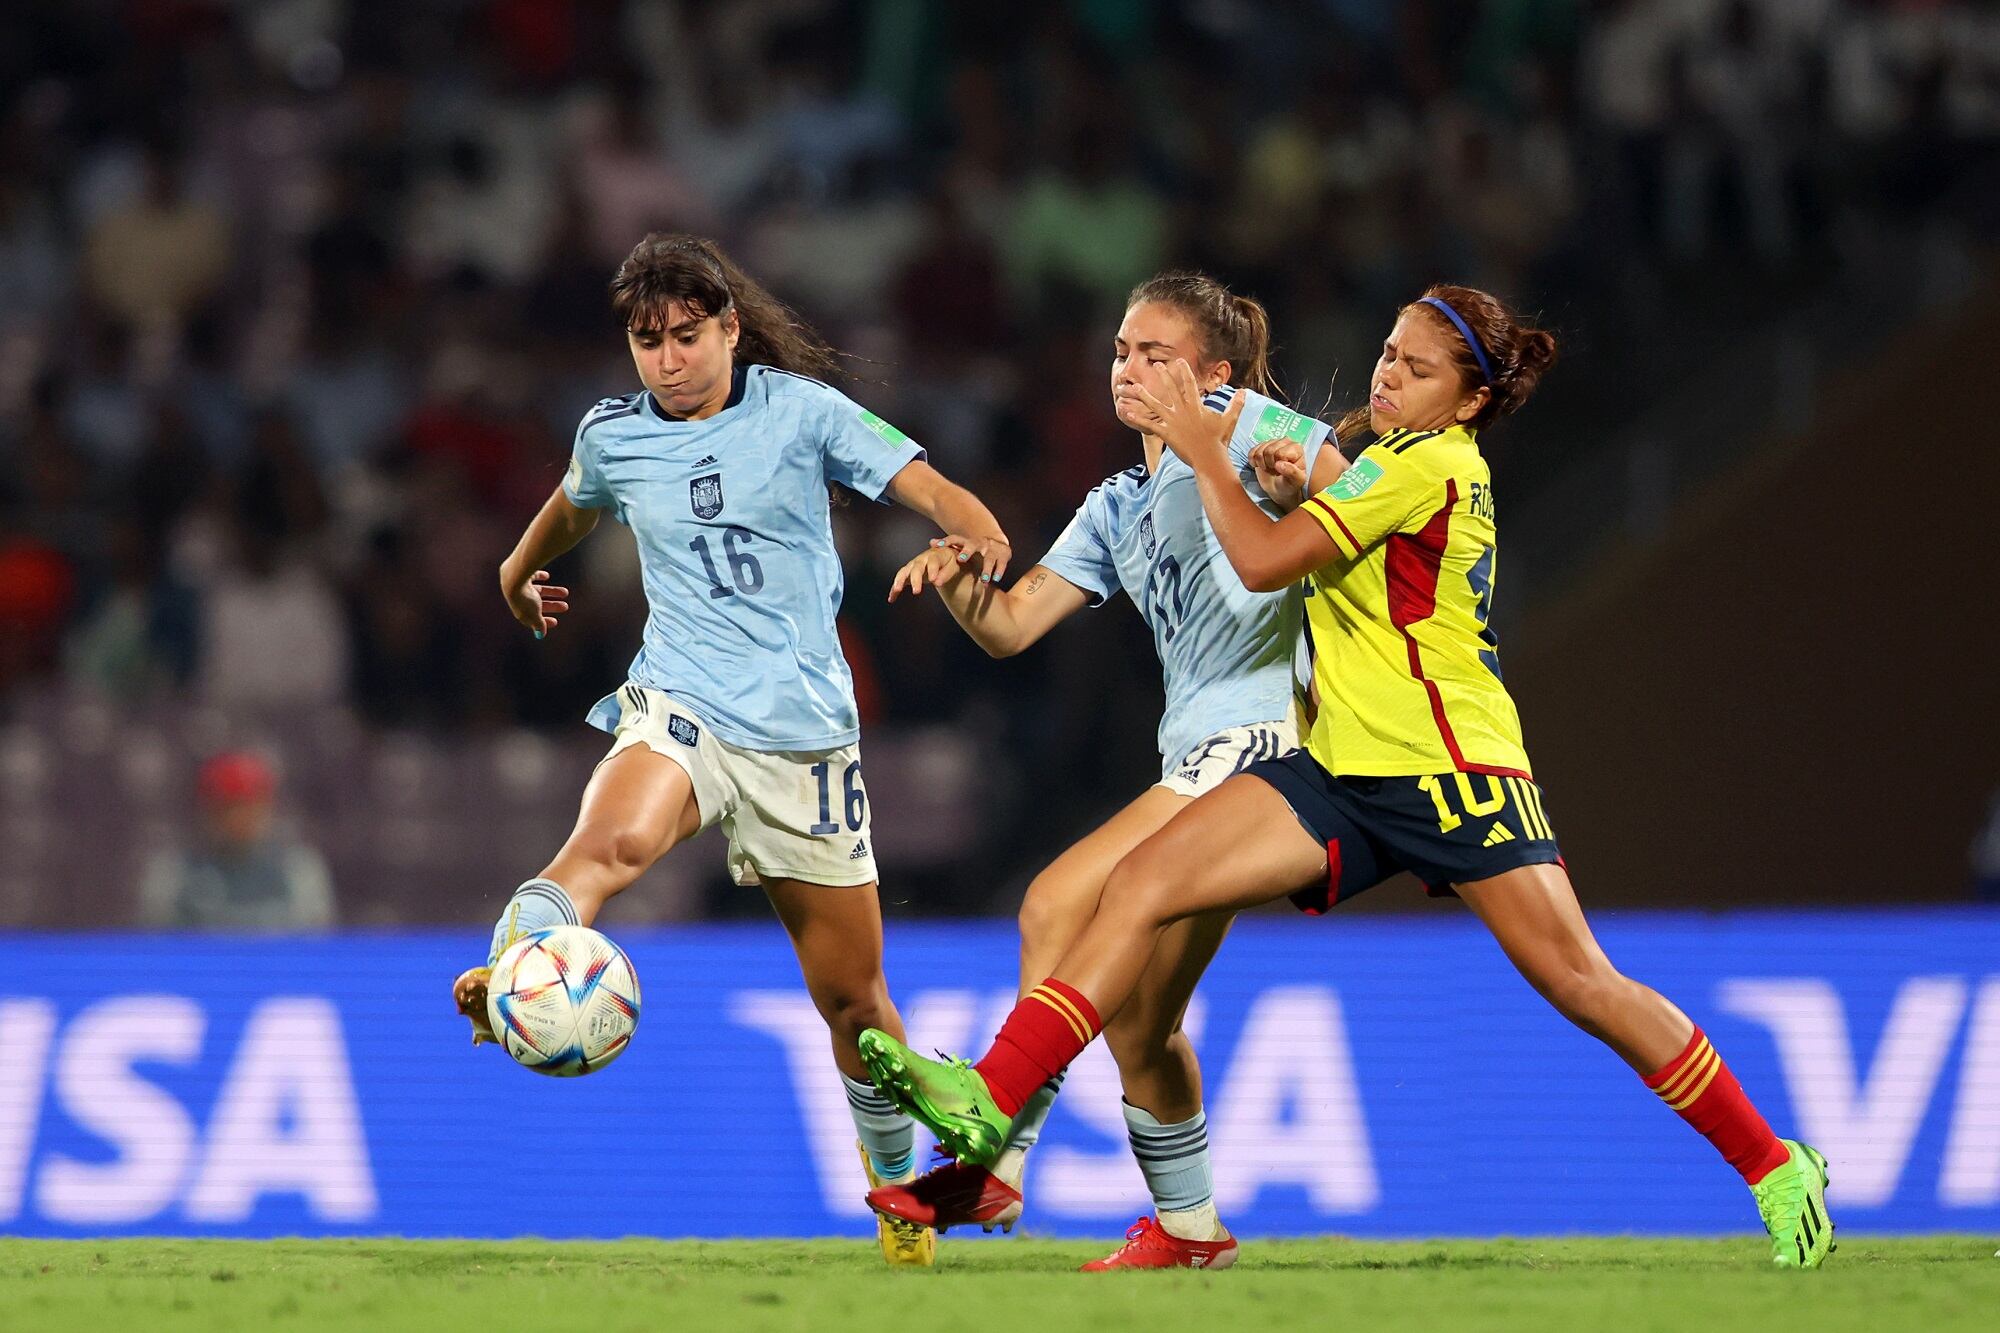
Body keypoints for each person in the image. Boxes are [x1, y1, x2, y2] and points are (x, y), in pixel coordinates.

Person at [854, 285, 1836, 1270]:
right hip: (1338, 766)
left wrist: (1217, 460)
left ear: (1463, 402)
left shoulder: (1426, 462)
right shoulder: (1375, 466)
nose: (1386, 373)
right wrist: (1282, 496)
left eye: (1415, 367)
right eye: (1387, 352)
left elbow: (1269, 561)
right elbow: (1328, 556)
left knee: (1580, 982)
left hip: (1446, 768)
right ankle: (1005, 1113)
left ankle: (1771, 1160)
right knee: (1135, 895)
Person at [452, 233, 1013, 1269]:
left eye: (683, 336)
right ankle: (507, 971)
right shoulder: (614, 435)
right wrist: (514, 571)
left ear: (728, 328)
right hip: (681, 702)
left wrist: (973, 535)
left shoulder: (800, 414)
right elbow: (570, 507)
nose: (665, 359)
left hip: (802, 739)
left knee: (855, 1005)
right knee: (606, 846)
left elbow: (938, 493)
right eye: (644, 340)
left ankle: (900, 1199)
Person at [867, 272, 1346, 1271]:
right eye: (1121, 351)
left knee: (1053, 903)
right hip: (1198, 759)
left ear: (1212, 375)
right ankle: (1190, 1230)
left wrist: (1310, 480)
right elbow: (1010, 625)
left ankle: (994, 1153)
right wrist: (961, 584)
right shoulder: (1118, 504)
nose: (1127, 369)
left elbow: (1352, 497)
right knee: (1140, 1029)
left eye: (1154, 355)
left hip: (1267, 750)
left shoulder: (1248, 425)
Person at [138, 750, 336, 930]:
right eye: (227, 807)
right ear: (207, 810)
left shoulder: (298, 871)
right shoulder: (174, 874)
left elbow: (317, 952)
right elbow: (156, 952)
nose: (239, 818)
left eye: (250, 806)